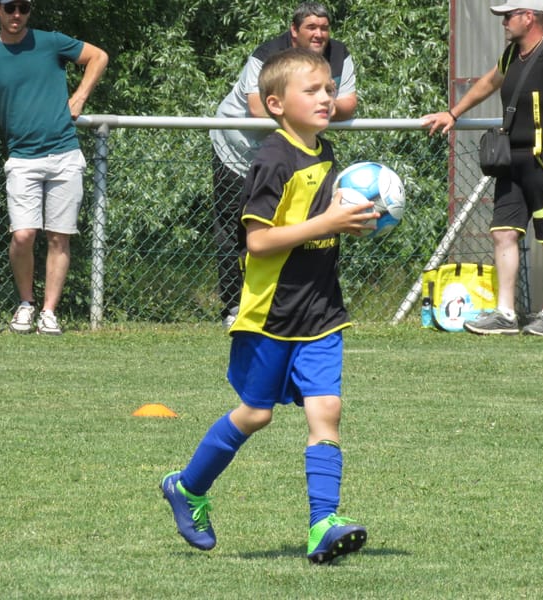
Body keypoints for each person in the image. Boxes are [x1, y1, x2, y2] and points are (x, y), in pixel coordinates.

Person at [161, 48, 372, 563]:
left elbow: (320, 223)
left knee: (327, 412)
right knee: (255, 414)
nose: (326, 98)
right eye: (313, 91)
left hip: (321, 311)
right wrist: (327, 224)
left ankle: (323, 524)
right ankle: (187, 488)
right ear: (275, 104)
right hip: (270, 315)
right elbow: (258, 242)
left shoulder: (325, 154)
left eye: (328, 89)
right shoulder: (272, 159)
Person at [0, 0, 108, 336]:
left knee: (59, 237)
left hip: (65, 154)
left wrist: (78, 97)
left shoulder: (49, 41)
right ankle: (26, 304)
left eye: (23, 7)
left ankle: (49, 313)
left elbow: (98, 56)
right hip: (22, 158)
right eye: (9, 7)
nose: (16, 14)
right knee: (22, 235)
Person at [211, 2, 358, 329]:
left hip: (298, 150)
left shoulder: (339, 54)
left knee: (301, 226)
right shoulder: (266, 54)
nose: (319, 33)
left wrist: (315, 104)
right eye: (311, 27)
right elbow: (257, 107)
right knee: (239, 229)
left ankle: (305, 303)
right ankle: (236, 305)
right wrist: (313, 109)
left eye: (324, 27)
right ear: (294, 30)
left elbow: (349, 102)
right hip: (240, 152)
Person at [422, 0, 543, 336]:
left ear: (529, 18)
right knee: (503, 232)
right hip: (511, 160)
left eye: (508, 16)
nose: (503, 23)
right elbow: (486, 83)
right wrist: (452, 114)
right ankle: (505, 314)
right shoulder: (512, 56)